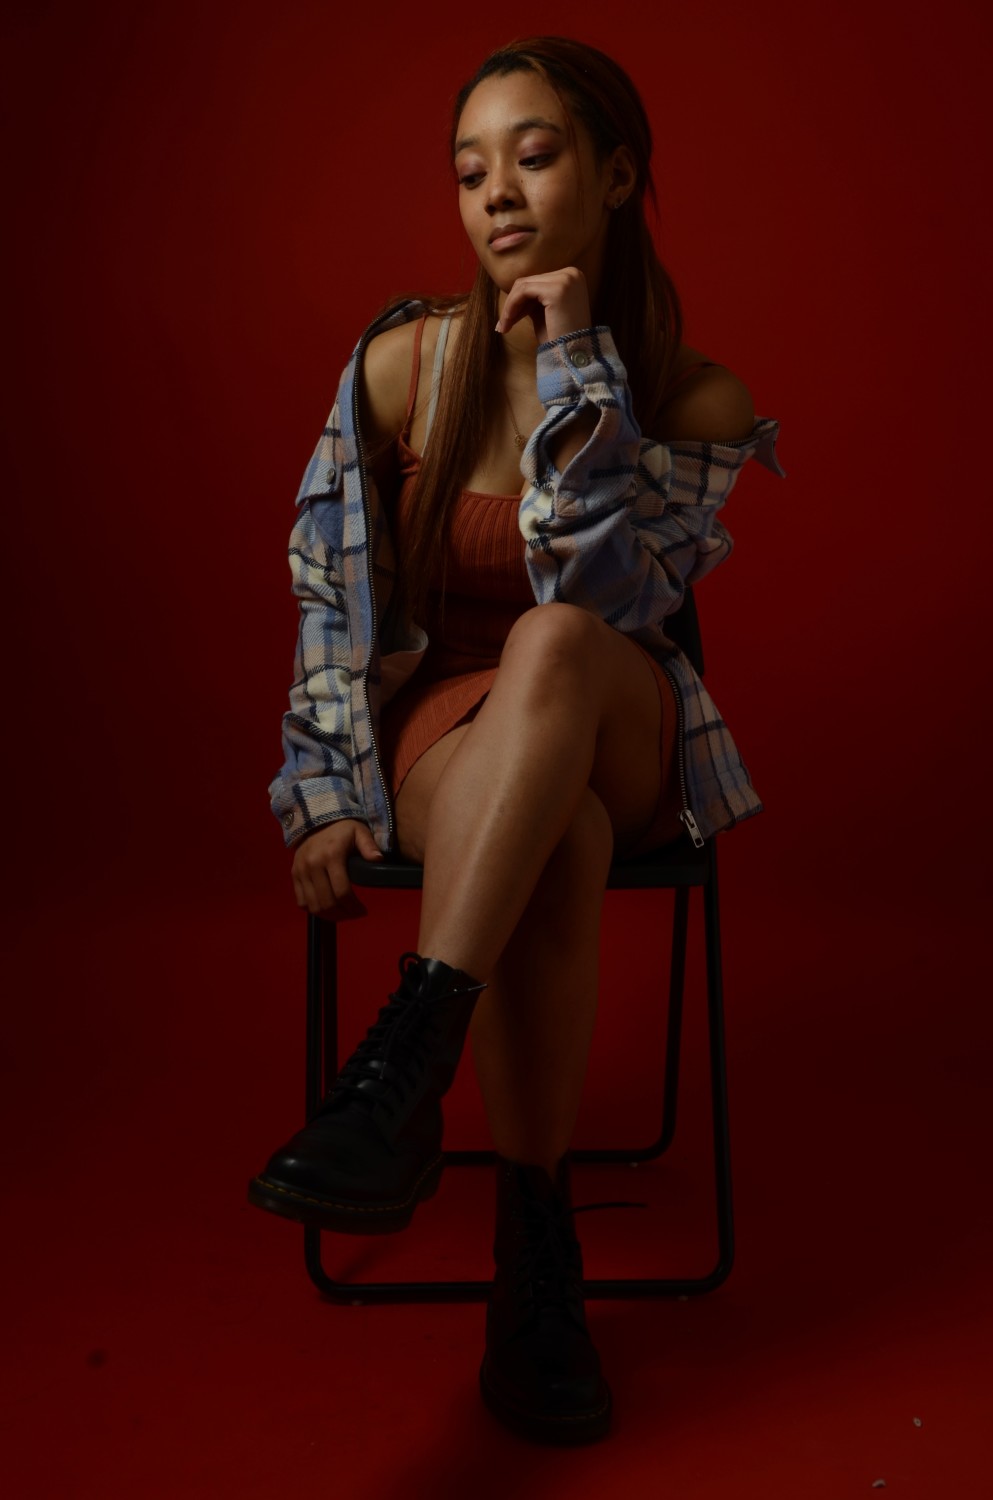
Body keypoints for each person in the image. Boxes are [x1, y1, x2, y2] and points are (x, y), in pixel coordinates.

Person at [249, 36, 782, 1444]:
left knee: (551, 645)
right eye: (470, 169)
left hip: (617, 716)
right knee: (561, 837)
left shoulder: (697, 399)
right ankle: (535, 1259)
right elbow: (327, 594)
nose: (496, 193)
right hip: (452, 736)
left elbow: (608, 605)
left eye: (534, 158)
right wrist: (319, 791)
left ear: (616, 176)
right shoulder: (401, 367)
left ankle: (402, 1066)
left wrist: (577, 368)